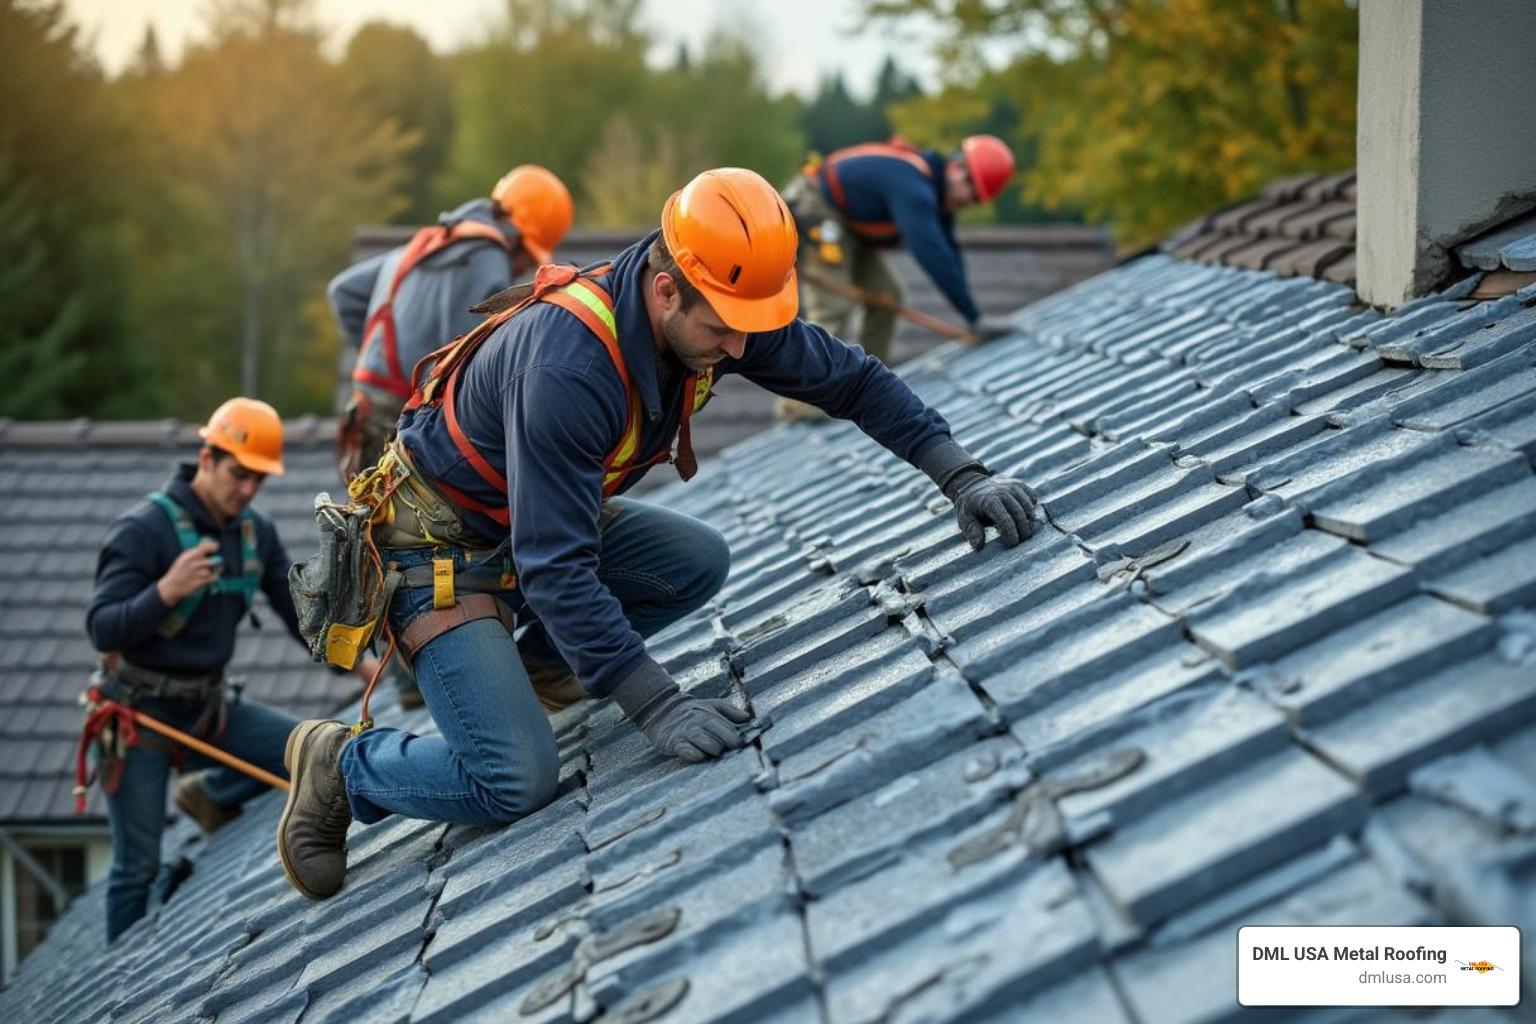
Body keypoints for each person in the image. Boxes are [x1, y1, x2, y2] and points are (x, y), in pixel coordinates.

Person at [275, 168, 1037, 902]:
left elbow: (855, 381)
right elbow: (556, 569)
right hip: (441, 552)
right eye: (725, 331)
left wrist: (960, 475)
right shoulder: (568, 368)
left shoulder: (723, 307)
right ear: (667, 288)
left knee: (693, 563)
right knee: (514, 778)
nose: (740, 351)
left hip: (529, 526)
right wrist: (656, 704)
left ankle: (541, 666)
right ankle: (343, 764)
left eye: (749, 330)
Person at [84, 398, 375, 941]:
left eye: (257, 481)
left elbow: (296, 615)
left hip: (208, 708)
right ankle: (119, 977)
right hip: (140, 717)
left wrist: (354, 665)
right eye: (239, 474)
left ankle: (212, 792)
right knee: (136, 868)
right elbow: (103, 627)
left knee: (305, 754)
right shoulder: (143, 532)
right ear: (207, 457)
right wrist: (164, 592)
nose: (246, 490)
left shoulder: (252, 535)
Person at [327, 165, 573, 708]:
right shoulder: (484, 254)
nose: (517, 266)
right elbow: (486, 341)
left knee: (379, 543)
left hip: (366, 409)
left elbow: (345, 292)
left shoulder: (428, 242)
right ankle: (422, 680)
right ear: (521, 236)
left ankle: (410, 679)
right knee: (420, 542)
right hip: (401, 419)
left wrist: (376, 353)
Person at [777, 134, 1018, 419]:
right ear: (956, 168)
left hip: (850, 229)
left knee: (887, 296)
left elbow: (948, 250)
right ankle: (801, 407)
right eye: (972, 191)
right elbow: (932, 254)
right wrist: (974, 318)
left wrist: (974, 317)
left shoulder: (935, 191)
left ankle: (861, 387)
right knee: (834, 308)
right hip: (818, 210)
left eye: (977, 199)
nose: (969, 201)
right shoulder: (914, 188)